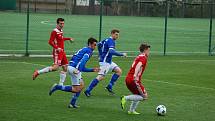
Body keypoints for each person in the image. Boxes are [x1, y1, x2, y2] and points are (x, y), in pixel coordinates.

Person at [49, 37, 99, 108]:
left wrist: (92, 70)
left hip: (71, 67)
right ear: (90, 44)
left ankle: (72, 103)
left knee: (81, 85)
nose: (95, 46)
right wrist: (77, 69)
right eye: (94, 44)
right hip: (75, 69)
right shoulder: (89, 51)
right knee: (76, 89)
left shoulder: (84, 49)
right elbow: (83, 60)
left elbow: (82, 67)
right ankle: (58, 87)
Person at [84, 29, 127, 97]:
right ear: (112, 34)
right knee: (100, 77)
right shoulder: (111, 41)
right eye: (116, 34)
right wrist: (122, 54)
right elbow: (111, 51)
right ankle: (88, 90)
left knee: (119, 71)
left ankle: (109, 86)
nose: (117, 36)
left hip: (108, 61)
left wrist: (101, 54)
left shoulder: (106, 39)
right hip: (105, 62)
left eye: (118, 35)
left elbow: (99, 45)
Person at [32, 18, 73, 85]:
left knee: (65, 67)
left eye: (63, 23)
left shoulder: (61, 31)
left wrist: (69, 39)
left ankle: (60, 85)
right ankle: (38, 72)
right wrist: (57, 48)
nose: (62, 25)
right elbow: (50, 42)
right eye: (60, 24)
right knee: (55, 68)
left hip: (62, 52)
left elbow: (61, 39)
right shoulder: (54, 31)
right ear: (57, 24)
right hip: (57, 52)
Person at [120, 43, 150, 115]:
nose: (149, 52)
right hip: (134, 80)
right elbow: (139, 65)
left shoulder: (139, 56)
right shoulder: (143, 58)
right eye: (148, 50)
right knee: (144, 96)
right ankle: (125, 98)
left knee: (137, 94)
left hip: (129, 79)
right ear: (145, 50)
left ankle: (131, 110)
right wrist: (135, 75)